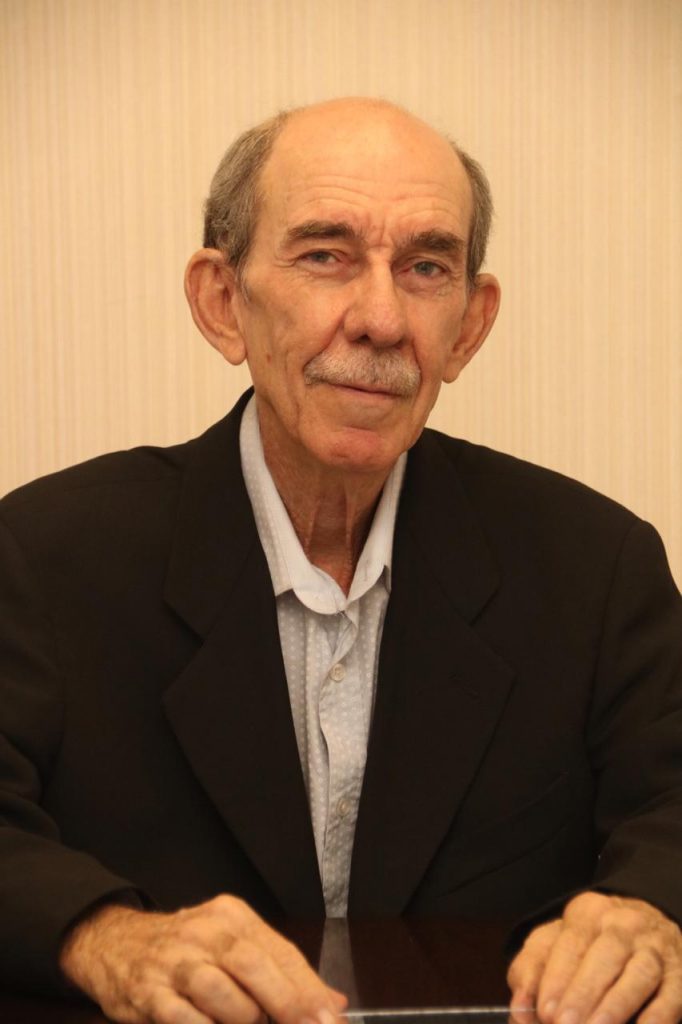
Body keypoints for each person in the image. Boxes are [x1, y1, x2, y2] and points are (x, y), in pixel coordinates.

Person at [0, 97, 681, 1024]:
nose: (381, 319)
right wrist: (103, 936)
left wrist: (649, 913)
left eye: (426, 268)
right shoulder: (45, 557)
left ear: (469, 327)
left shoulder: (595, 568)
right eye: (325, 256)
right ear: (222, 302)